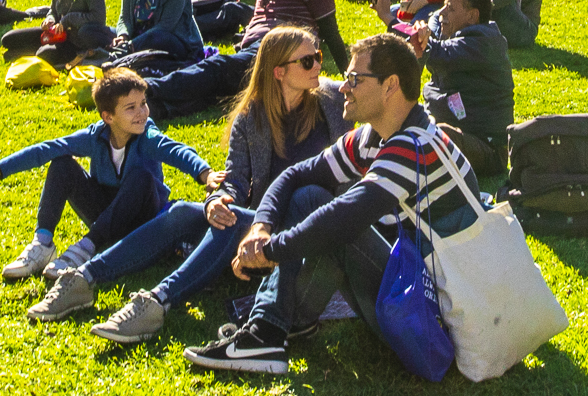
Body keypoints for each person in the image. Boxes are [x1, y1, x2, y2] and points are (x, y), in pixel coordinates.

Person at [184, 34, 489, 377]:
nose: (343, 87)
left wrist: (270, 250)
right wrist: (261, 226)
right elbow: (295, 175)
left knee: (330, 219)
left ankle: (264, 332)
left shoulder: (415, 146)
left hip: (438, 318)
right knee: (309, 197)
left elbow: (345, 217)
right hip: (414, 290)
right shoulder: (374, 136)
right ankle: (281, 324)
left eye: (355, 79)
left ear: (390, 86)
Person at [87, 26, 346, 347]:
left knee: (236, 217)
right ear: (279, 71)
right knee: (190, 211)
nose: (319, 65)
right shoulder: (252, 117)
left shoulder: (332, 100)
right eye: (307, 61)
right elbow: (235, 179)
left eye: (318, 57)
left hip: (307, 225)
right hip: (263, 221)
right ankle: (86, 276)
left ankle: (157, 300)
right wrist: (218, 200)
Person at [0, 69, 217, 321]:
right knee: (61, 162)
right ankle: (43, 244)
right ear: (108, 116)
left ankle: (86, 247)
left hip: (143, 222)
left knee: (142, 177)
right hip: (106, 214)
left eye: (143, 103)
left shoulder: (147, 136)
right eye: (131, 108)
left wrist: (205, 173)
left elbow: (175, 150)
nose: (142, 112)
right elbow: (47, 148)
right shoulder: (95, 137)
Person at [419, 0, 513, 173]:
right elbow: (436, 18)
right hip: (455, 133)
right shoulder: (459, 35)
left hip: (487, 149)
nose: (443, 12)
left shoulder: (483, 44)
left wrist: (390, 19)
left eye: (450, 9)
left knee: (437, 136)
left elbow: (437, 53)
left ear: (472, 16)